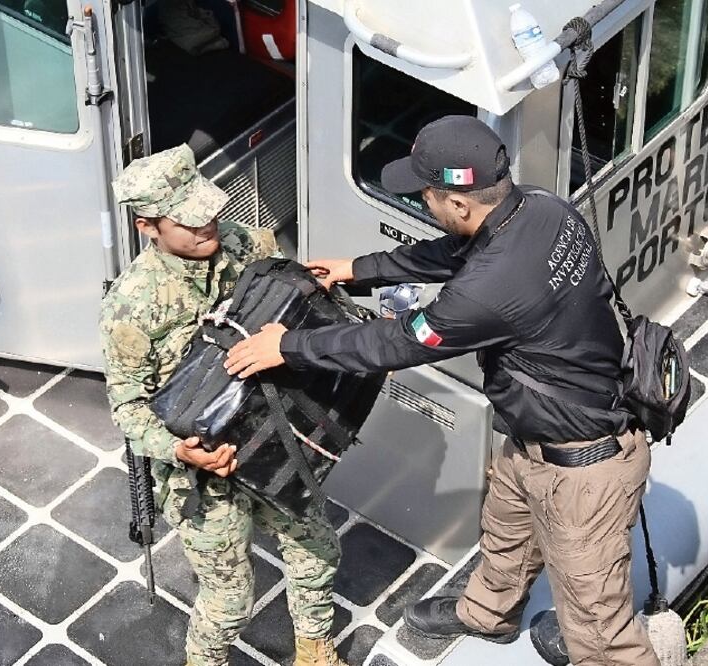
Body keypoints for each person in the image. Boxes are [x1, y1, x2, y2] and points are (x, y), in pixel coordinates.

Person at [224, 116, 658, 666]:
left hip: (583, 473)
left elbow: (397, 342)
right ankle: (489, 614)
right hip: (535, 441)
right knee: (506, 532)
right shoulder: (542, 208)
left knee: (599, 627)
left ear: (457, 202)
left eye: (426, 195)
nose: (424, 204)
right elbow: (455, 253)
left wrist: (289, 346)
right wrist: (357, 270)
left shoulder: (487, 292)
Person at [99, 144, 345, 666]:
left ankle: (313, 652)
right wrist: (179, 451)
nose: (205, 225)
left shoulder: (244, 244)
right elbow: (127, 407)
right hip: (202, 469)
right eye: (187, 221)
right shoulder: (132, 306)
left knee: (318, 550)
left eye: (207, 211)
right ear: (148, 227)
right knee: (230, 602)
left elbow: (293, 296)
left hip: (269, 435)